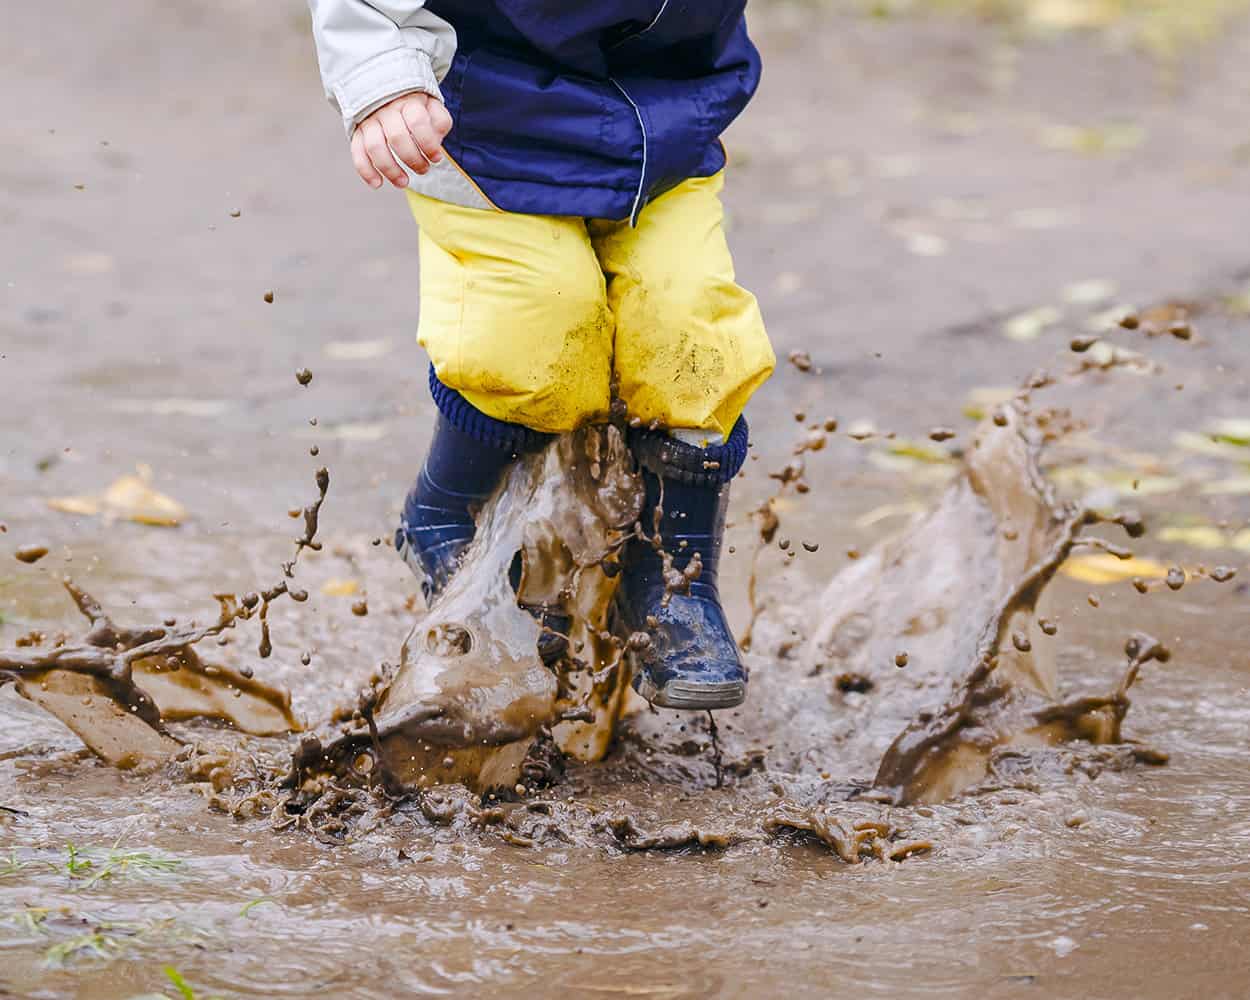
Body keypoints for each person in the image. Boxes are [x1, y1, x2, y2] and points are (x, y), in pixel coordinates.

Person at [307, 1, 775, 710]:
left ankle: (676, 580)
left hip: (664, 122)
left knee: (693, 330)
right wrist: (381, 77)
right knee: (535, 322)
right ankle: (448, 515)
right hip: (487, 122)